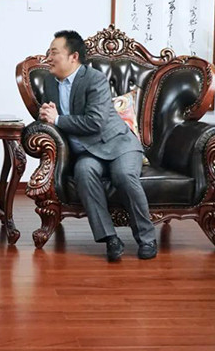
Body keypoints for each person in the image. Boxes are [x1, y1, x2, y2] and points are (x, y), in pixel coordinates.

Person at [39, 30, 157, 261]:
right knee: (84, 171)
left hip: (118, 143)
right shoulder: (49, 82)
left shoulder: (94, 79)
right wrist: (44, 115)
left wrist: (58, 119)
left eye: (54, 52)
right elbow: (48, 115)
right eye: (48, 52)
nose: (48, 58)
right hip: (88, 151)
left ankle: (147, 238)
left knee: (124, 175)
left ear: (73, 57)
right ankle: (110, 238)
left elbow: (95, 122)